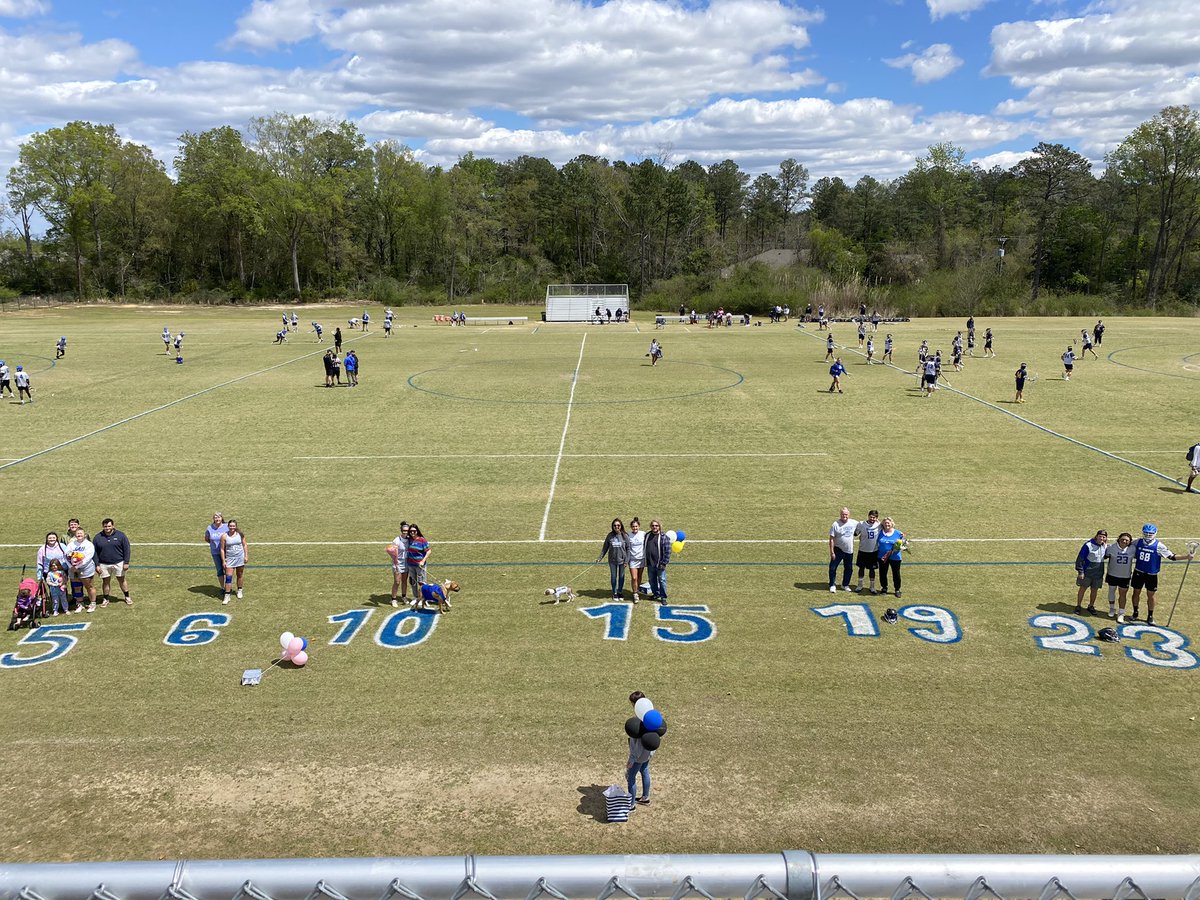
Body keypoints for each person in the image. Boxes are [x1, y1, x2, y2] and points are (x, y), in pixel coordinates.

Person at [1129, 523, 1193, 625]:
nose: (1148, 536)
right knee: (1136, 592)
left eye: (1150, 534)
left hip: (1151, 574)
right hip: (1139, 572)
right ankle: (1135, 612)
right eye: (1146, 533)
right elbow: (1127, 546)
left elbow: (1172, 556)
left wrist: (1186, 557)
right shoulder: (1137, 542)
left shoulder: (1159, 545)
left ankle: (1150, 615)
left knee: (1151, 595)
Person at [93, 517, 132, 607]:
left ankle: (127, 597)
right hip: (103, 564)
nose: (107, 528)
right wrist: (97, 565)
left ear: (113, 526)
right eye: (105, 526)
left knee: (121, 580)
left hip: (119, 562)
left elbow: (127, 549)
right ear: (103, 527)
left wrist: (126, 562)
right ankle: (106, 599)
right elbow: (94, 552)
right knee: (106, 581)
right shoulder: (98, 537)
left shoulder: (121, 535)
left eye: (109, 526)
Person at [626, 690, 654, 805]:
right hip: (648, 753)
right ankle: (645, 797)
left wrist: (632, 759)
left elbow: (638, 745)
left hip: (638, 756)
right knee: (644, 770)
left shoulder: (638, 722)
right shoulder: (650, 717)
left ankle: (631, 805)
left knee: (630, 777)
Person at [1074, 529, 1108, 615]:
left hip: (1098, 573)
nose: (1102, 538)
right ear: (1096, 536)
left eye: (1104, 537)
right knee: (1082, 588)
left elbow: (1104, 557)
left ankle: (1091, 606)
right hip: (1087, 572)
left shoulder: (1105, 546)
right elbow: (1080, 559)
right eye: (1100, 536)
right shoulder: (1088, 545)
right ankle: (1078, 606)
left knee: (1094, 590)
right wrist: (1081, 572)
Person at [598, 518, 631, 601]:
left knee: (621, 577)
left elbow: (628, 549)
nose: (616, 527)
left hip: (622, 561)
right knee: (613, 577)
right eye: (615, 525)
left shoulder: (625, 535)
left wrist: (626, 561)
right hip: (612, 561)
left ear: (621, 526)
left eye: (618, 525)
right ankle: (614, 593)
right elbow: (605, 548)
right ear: (612, 526)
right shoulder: (610, 536)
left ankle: (620, 592)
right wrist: (600, 558)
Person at [65, 528, 97, 612]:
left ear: (84, 535)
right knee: (77, 587)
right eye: (77, 533)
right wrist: (71, 566)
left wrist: (78, 566)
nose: (79, 535)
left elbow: (88, 557)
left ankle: (92, 603)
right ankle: (80, 603)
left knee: (89, 586)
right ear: (75, 535)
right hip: (73, 569)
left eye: (81, 533)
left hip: (85, 568)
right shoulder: (71, 544)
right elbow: (66, 556)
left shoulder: (89, 544)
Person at [1106, 532, 1135, 621]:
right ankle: (1111, 608)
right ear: (1118, 539)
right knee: (1111, 591)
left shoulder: (1133, 549)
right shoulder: (1111, 548)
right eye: (1122, 539)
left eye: (1127, 540)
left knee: (1123, 594)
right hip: (1112, 574)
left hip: (1125, 576)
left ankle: (1121, 613)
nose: (1124, 541)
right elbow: (1105, 555)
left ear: (1130, 542)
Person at [828, 507, 858, 593]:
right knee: (833, 568)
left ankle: (845, 584)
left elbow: (864, 525)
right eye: (843, 514)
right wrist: (832, 552)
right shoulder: (835, 524)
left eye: (846, 514)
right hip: (838, 549)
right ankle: (832, 585)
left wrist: (878, 522)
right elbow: (831, 538)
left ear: (849, 515)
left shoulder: (853, 522)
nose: (844, 516)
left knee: (849, 569)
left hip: (849, 550)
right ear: (840, 514)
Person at [876, 517, 906, 599]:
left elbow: (904, 543)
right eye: (885, 523)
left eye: (888, 523)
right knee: (882, 573)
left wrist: (902, 544)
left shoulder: (898, 533)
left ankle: (897, 589)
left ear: (892, 523)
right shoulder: (880, 532)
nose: (887, 524)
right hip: (882, 557)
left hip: (895, 557)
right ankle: (884, 588)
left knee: (896, 574)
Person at [220, 519, 247, 605]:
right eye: (230, 526)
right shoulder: (224, 536)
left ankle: (239, 590)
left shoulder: (240, 534)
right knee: (228, 577)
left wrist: (246, 556)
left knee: (240, 574)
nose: (232, 527)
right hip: (230, 559)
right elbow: (222, 549)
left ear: (236, 526)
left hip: (240, 558)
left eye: (233, 526)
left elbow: (244, 545)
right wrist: (223, 560)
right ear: (228, 526)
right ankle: (227, 595)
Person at [644, 520, 672, 603]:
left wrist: (664, 563)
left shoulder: (664, 537)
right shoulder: (647, 535)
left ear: (659, 526)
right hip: (650, 563)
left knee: (662, 580)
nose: (654, 527)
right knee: (652, 580)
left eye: (656, 525)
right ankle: (656, 594)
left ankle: (663, 597)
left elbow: (668, 551)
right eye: (653, 525)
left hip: (660, 564)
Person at [854, 510, 882, 594]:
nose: (872, 519)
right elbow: (855, 534)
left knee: (872, 569)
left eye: (874, 517)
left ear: (877, 518)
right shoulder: (861, 524)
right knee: (861, 568)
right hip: (863, 550)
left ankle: (872, 586)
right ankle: (859, 585)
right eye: (871, 517)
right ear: (868, 516)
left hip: (873, 551)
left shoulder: (879, 525)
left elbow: (889, 528)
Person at [405, 524, 430, 605]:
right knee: (413, 582)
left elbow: (428, 551)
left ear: (417, 531)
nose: (412, 533)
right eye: (411, 531)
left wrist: (423, 561)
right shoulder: (409, 540)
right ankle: (415, 597)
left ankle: (422, 598)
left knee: (421, 582)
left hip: (420, 566)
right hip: (410, 565)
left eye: (414, 531)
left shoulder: (422, 540)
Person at [204, 512, 229, 587]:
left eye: (219, 517)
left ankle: (228, 587)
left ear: (222, 518)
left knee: (228, 570)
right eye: (215, 517)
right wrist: (214, 545)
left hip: (226, 552)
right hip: (215, 553)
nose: (217, 518)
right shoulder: (210, 528)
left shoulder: (226, 526)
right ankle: (222, 587)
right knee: (219, 570)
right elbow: (207, 538)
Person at [389, 521, 410, 607]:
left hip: (406, 562)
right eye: (404, 530)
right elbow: (391, 552)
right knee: (397, 581)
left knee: (404, 581)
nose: (405, 532)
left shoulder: (409, 539)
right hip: (397, 563)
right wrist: (396, 563)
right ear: (401, 530)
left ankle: (403, 596)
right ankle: (393, 599)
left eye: (407, 530)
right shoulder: (396, 540)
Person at [627, 518, 646, 603]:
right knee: (634, 577)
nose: (635, 528)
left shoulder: (643, 534)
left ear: (639, 526)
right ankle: (635, 594)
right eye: (633, 526)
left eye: (636, 526)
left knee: (639, 577)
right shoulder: (628, 535)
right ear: (631, 527)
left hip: (641, 559)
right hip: (632, 559)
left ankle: (637, 591)